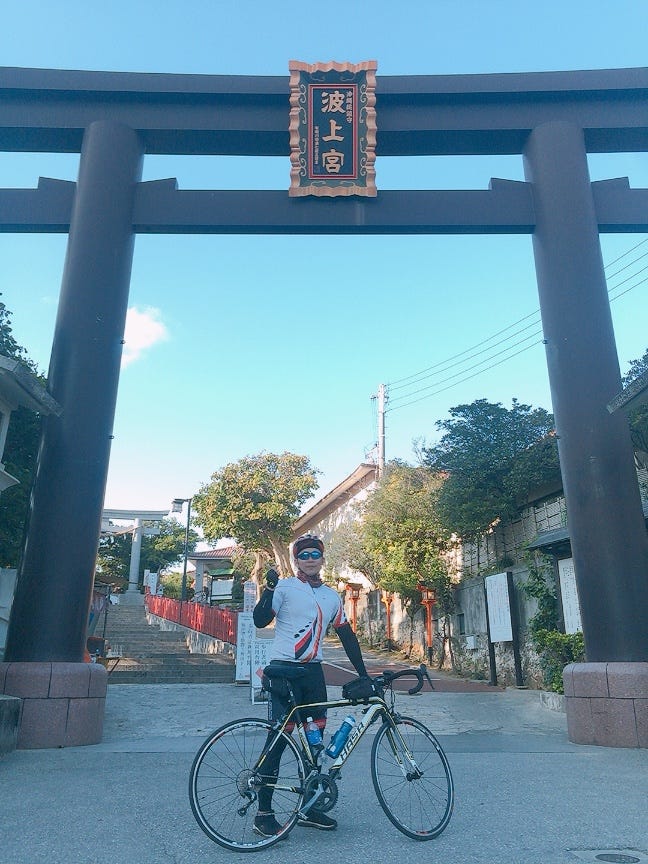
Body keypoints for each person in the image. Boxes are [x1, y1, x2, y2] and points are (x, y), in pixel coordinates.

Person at [252, 533, 369, 838]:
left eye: (315, 554)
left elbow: (347, 636)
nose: (310, 559)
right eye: (303, 555)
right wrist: (269, 589)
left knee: (314, 744)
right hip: (284, 672)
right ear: (296, 560)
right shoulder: (286, 587)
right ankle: (263, 814)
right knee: (279, 742)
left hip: (313, 675)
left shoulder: (331, 596)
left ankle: (310, 806)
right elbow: (260, 620)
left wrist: (363, 674)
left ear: (322, 558)